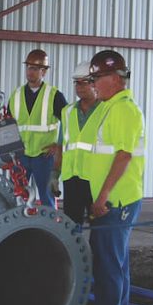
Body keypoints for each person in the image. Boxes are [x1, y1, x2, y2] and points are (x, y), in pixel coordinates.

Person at [75, 50, 144, 305]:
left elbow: (123, 156)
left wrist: (101, 198)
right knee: (116, 266)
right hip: (108, 201)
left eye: (97, 78)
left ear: (115, 79)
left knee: (107, 268)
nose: (93, 84)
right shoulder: (108, 106)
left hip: (116, 202)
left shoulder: (124, 110)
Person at [8, 49, 67, 208]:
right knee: (18, 196)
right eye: (28, 68)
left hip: (44, 156)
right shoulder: (16, 95)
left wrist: (58, 145)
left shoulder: (54, 96)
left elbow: (69, 122)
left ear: (44, 71)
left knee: (46, 196)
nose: (30, 72)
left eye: (35, 68)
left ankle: (50, 229)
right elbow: (7, 126)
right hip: (21, 155)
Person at [53, 61, 100, 225]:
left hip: (97, 180)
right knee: (72, 227)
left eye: (83, 82)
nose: (79, 87)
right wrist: (54, 175)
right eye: (76, 83)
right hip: (72, 179)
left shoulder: (106, 111)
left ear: (95, 83)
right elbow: (61, 146)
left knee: (99, 227)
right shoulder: (67, 112)